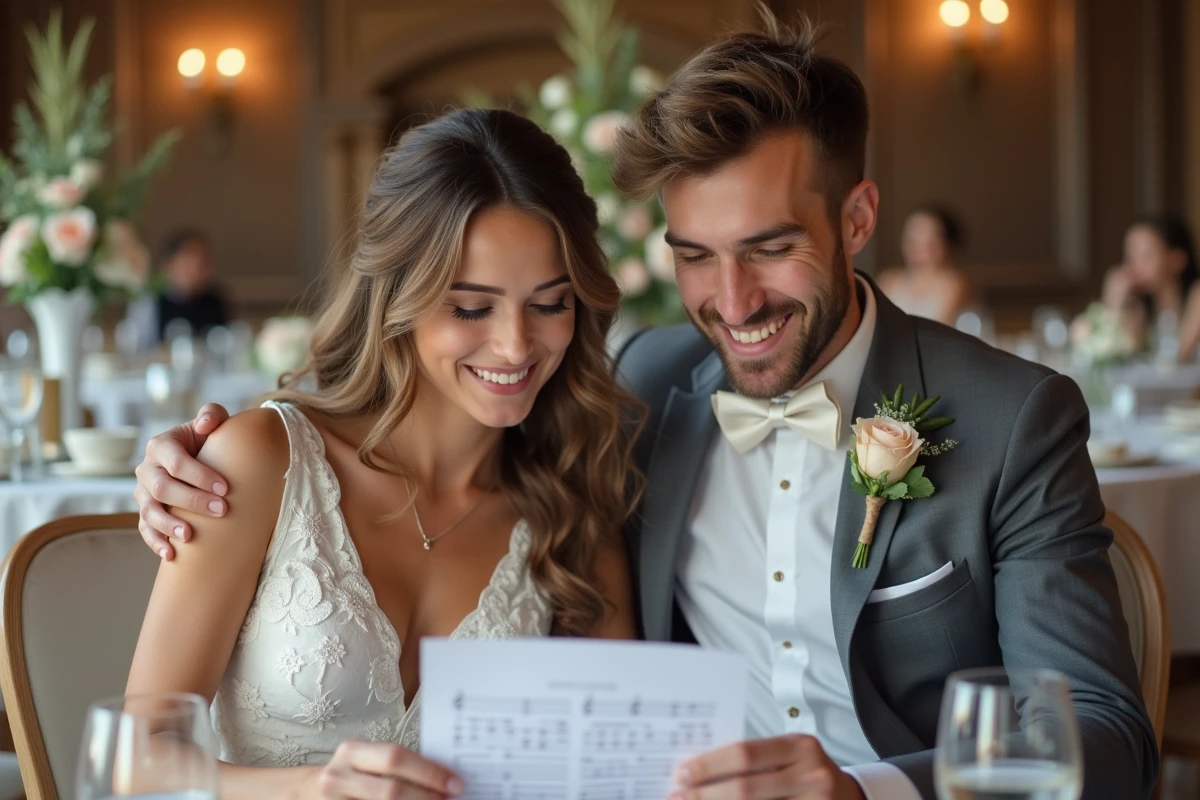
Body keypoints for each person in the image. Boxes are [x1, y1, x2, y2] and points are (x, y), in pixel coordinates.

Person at [133, 12, 1156, 800]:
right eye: (696, 256)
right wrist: (182, 459)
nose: (734, 302)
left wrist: (866, 791)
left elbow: (1107, 737)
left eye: (769, 247)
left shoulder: (1013, 418)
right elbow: (135, 753)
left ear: (857, 219)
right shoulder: (648, 394)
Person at [125, 108, 639, 799]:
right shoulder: (260, 462)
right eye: (471, 308)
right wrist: (310, 791)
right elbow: (136, 763)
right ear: (397, 294)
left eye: (550, 304)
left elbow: (617, 773)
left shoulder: (574, 505)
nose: (517, 345)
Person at [1103, 213, 1200, 361]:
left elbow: (1177, 358)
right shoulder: (1138, 306)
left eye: (1146, 255)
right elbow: (1114, 356)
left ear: (1177, 260)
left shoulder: (1197, 295)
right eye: (1130, 256)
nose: (1134, 266)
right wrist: (1114, 304)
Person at [124, 229, 231, 350]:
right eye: (188, 260)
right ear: (168, 264)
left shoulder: (215, 300)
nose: (195, 267)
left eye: (202, 261)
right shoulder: (148, 300)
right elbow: (135, 348)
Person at [876, 205, 974, 326]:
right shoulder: (888, 280)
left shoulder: (956, 284)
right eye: (913, 239)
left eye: (930, 241)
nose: (919, 248)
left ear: (948, 244)